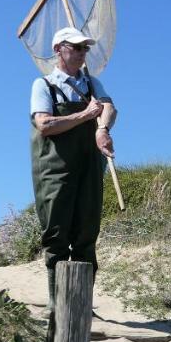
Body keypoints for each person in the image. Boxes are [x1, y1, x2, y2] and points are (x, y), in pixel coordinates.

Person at [29, 26, 118, 306]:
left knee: (86, 234)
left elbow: (109, 108)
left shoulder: (92, 84)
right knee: (57, 236)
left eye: (85, 48)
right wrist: (86, 115)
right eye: (76, 47)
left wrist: (102, 128)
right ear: (58, 50)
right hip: (54, 171)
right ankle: (59, 309)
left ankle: (80, 308)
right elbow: (45, 125)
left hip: (90, 167)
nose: (82, 53)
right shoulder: (43, 85)